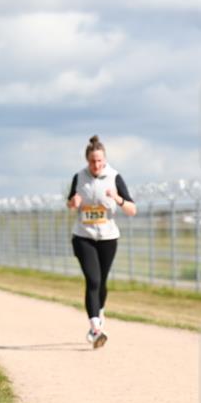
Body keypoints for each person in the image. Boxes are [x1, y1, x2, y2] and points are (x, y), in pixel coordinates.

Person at [66, 135, 137, 348]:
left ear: (104, 160)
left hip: (108, 238)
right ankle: (96, 328)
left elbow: (132, 209)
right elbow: (70, 204)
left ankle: (98, 313)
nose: (96, 165)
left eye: (99, 161)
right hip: (83, 236)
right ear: (87, 161)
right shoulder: (79, 177)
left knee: (102, 281)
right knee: (93, 279)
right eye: (92, 161)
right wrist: (73, 202)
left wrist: (118, 199)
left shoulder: (114, 177)